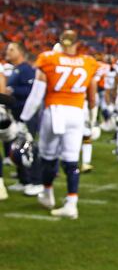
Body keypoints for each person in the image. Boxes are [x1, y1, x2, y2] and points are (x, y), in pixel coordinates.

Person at [20, 30, 98, 219]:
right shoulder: (88, 62)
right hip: (77, 114)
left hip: (54, 112)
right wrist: (93, 120)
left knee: (48, 158)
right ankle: (72, 203)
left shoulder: (48, 59)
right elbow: (92, 96)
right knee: (72, 161)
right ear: (77, 43)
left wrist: (24, 119)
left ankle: (48, 194)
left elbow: (37, 94)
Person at [3, 42, 43, 197]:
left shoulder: (26, 69)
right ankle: (24, 179)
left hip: (27, 114)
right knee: (18, 147)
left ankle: (37, 181)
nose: (8, 51)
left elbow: (31, 91)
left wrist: (13, 90)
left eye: (11, 49)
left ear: (20, 52)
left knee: (29, 147)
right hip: (16, 114)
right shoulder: (16, 69)